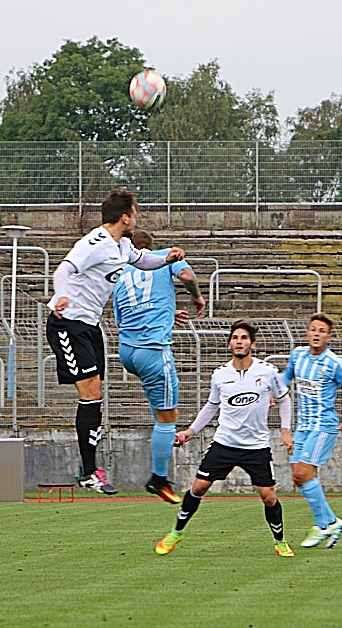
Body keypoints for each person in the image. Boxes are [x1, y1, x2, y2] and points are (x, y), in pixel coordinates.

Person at [46, 190, 185, 495]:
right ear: (126, 217)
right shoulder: (94, 243)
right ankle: (88, 471)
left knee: (96, 396)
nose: (136, 218)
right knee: (91, 393)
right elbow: (64, 269)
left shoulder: (122, 246)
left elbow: (144, 260)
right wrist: (62, 295)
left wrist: (166, 257)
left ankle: (89, 469)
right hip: (67, 323)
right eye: (135, 213)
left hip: (90, 326)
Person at [155, 320, 295, 557]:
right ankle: (176, 533)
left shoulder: (268, 372)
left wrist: (285, 429)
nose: (239, 342)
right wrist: (190, 432)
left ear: (252, 343)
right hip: (225, 443)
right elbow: (211, 406)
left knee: (269, 496)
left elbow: (284, 399)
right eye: (235, 338)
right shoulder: (220, 375)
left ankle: (280, 541)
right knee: (198, 487)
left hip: (256, 446)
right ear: (230, 343)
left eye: (244, 338)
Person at [113, 230, 206, 504]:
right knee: (167, 420)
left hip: (126, 352)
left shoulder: (122, 272)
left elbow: (126, 317)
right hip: (152, 351)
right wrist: (196, 296)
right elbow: (188, 277)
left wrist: (166, 313)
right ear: (150, 248)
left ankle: (159, 470)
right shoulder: (163, 258)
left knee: (160, 411)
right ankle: (159, 478)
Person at [281, 313, 342, 548]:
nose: (316, 334)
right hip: (303, 426)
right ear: (307, 333)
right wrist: (271, 392)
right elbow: (285, 378)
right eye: (313, 329)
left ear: (328, 337)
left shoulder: (335, 363)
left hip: (323, 426)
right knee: (298, 475)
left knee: (304, 473)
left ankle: (322, 524)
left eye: (322, 331)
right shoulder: (298, 356)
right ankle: (332, 522)